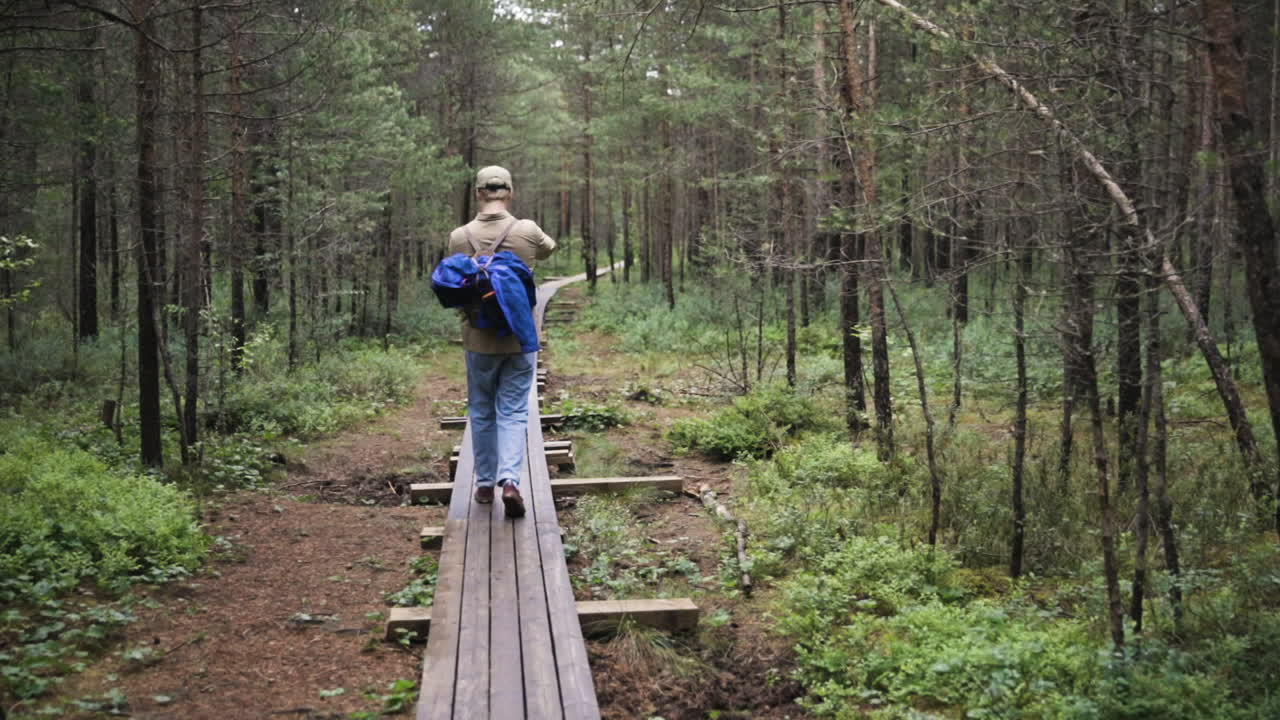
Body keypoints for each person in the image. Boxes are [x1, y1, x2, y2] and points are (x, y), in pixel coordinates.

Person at [448, 166, 557, 518]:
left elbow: (452, 279)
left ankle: (483, 484)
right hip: (519, 337)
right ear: (509, 192)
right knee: (513, 410)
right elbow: (549, 249)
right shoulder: (526, 229)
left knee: (481, 410)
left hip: (477, 338)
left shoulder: (459, 236)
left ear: (478, 193)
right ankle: (510, 481)